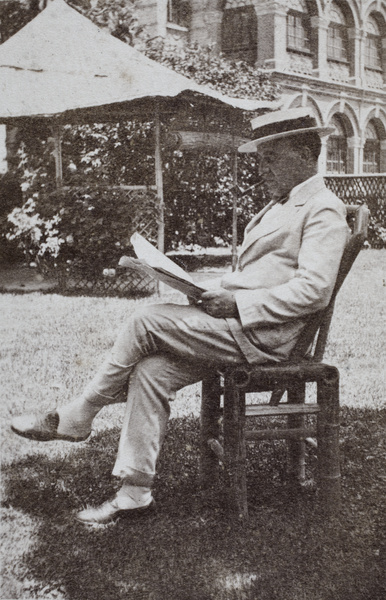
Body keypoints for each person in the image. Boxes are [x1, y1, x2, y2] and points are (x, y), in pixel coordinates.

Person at [11, 108, 350, 525]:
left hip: (263, 335)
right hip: (236, 325)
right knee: (152, 370)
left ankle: (81, 413)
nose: (261, 169)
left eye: (271, 157)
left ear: (304, 153)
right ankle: (135, 491)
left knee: (146, 320)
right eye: (261, 158)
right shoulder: (282, 205)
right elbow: (258, 274)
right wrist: (209, 289)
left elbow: (314, 290)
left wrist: (239, 305)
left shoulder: (322, 208)